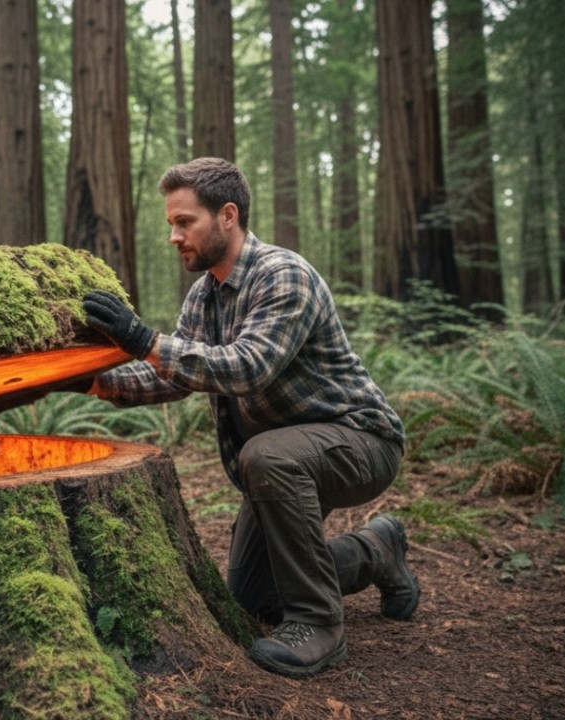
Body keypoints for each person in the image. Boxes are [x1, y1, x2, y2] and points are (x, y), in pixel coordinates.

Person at [77, 157, 418, 679]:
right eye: (171, 223)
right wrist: (94, 380)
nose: (174, 236)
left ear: (228, 215)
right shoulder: (204, 295)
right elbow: (177, 376)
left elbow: (248, 367)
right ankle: (378, 550)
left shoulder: (283, 275)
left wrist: (144, 339)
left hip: (362, 441)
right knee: (254, 596)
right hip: (286, 456)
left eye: (184, 222)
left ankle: (320, 625)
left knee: (267, 456)